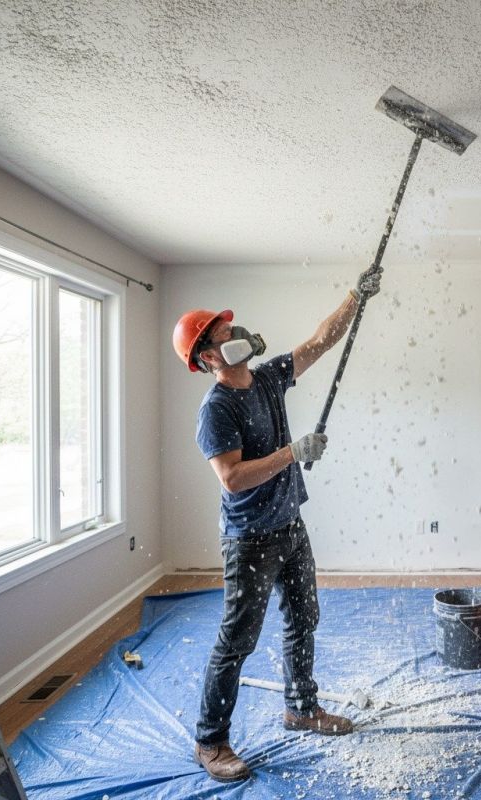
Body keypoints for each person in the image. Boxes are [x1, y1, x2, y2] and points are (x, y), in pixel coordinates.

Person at [171, 265, 382, 783]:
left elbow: (318, 342)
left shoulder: (267, 378)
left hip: (289, 525)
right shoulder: (216, 409)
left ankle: (301, 708)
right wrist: (292, 452)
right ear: (208, 358)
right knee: (237, 640)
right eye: (223, 336)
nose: (235, 336)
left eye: (232, 329)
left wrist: (357, 295)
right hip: (249, 540)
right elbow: (233, 478)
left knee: (303, 618)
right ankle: (211, 741)